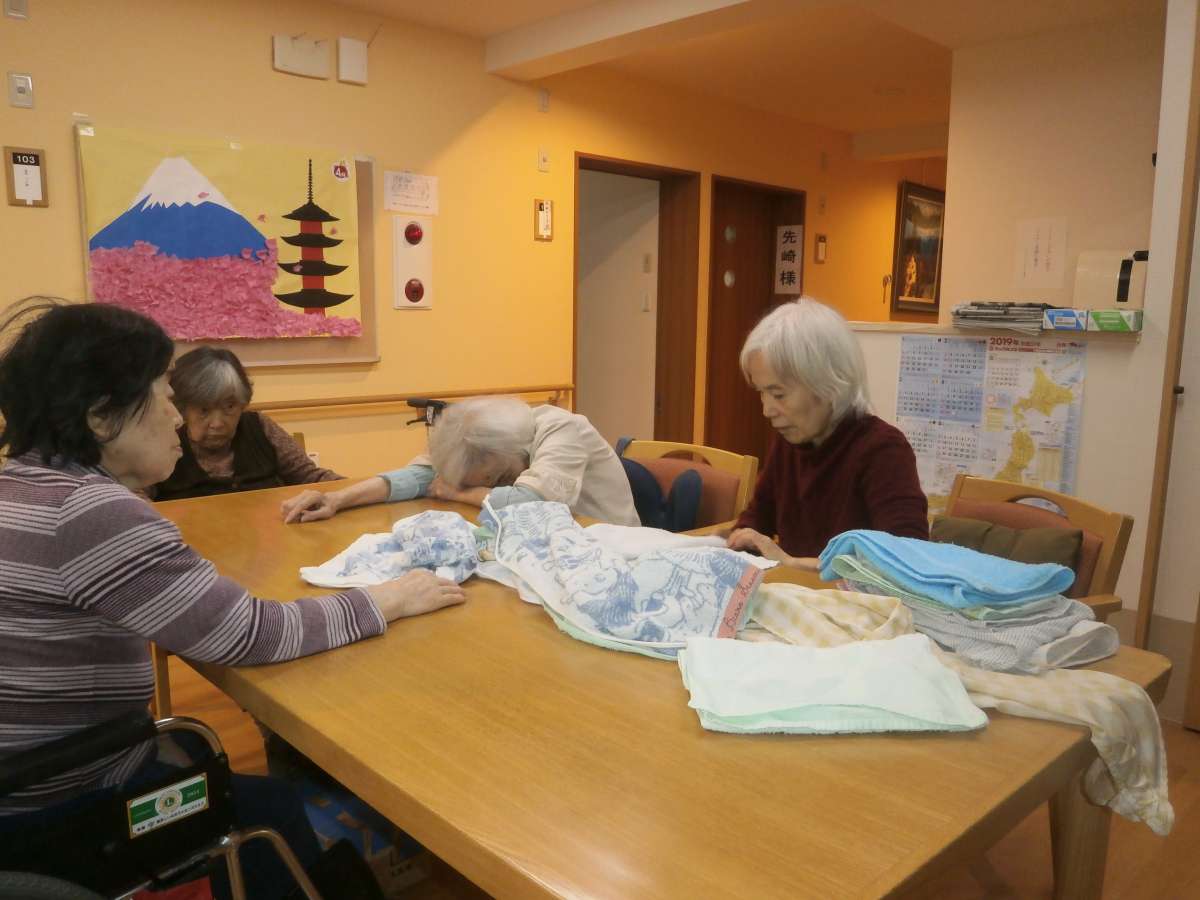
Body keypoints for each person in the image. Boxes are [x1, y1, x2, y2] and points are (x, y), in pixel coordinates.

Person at [0, 299, 465, 898]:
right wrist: (389, 598)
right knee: (268, 810)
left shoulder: (22, 483)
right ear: (100, 416)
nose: (176, 418)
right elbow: (251, 634)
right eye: (163, 396)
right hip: (55, 803)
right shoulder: (90, 512)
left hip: (36, 775)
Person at [726, 297, 928, 569]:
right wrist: (742, 539)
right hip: (797, 591)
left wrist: (792, 563)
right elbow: (757, 518)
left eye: (778, 394)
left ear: (828, 385)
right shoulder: (791, 442)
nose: (767, 410)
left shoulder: (883, 450)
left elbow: (906, 561)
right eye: (762, 393)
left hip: (850, 597)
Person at [281, 396, 638, 526]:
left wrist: (456, 493)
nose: (484, 487)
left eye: (490, 481)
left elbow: (531, 504)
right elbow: (418, 477)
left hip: (610, 543)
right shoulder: (476, 431)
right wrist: (337, 499)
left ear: (507, 461)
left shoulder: (564, 430)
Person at [153, 346, 342, 500]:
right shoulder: (167, 436)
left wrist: (351, 493)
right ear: (182, 409)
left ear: (242, 404)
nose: (217, 423)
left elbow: (312, 477)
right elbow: (140, 498)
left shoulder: (259, 426)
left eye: (229, 407)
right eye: (204, 410)